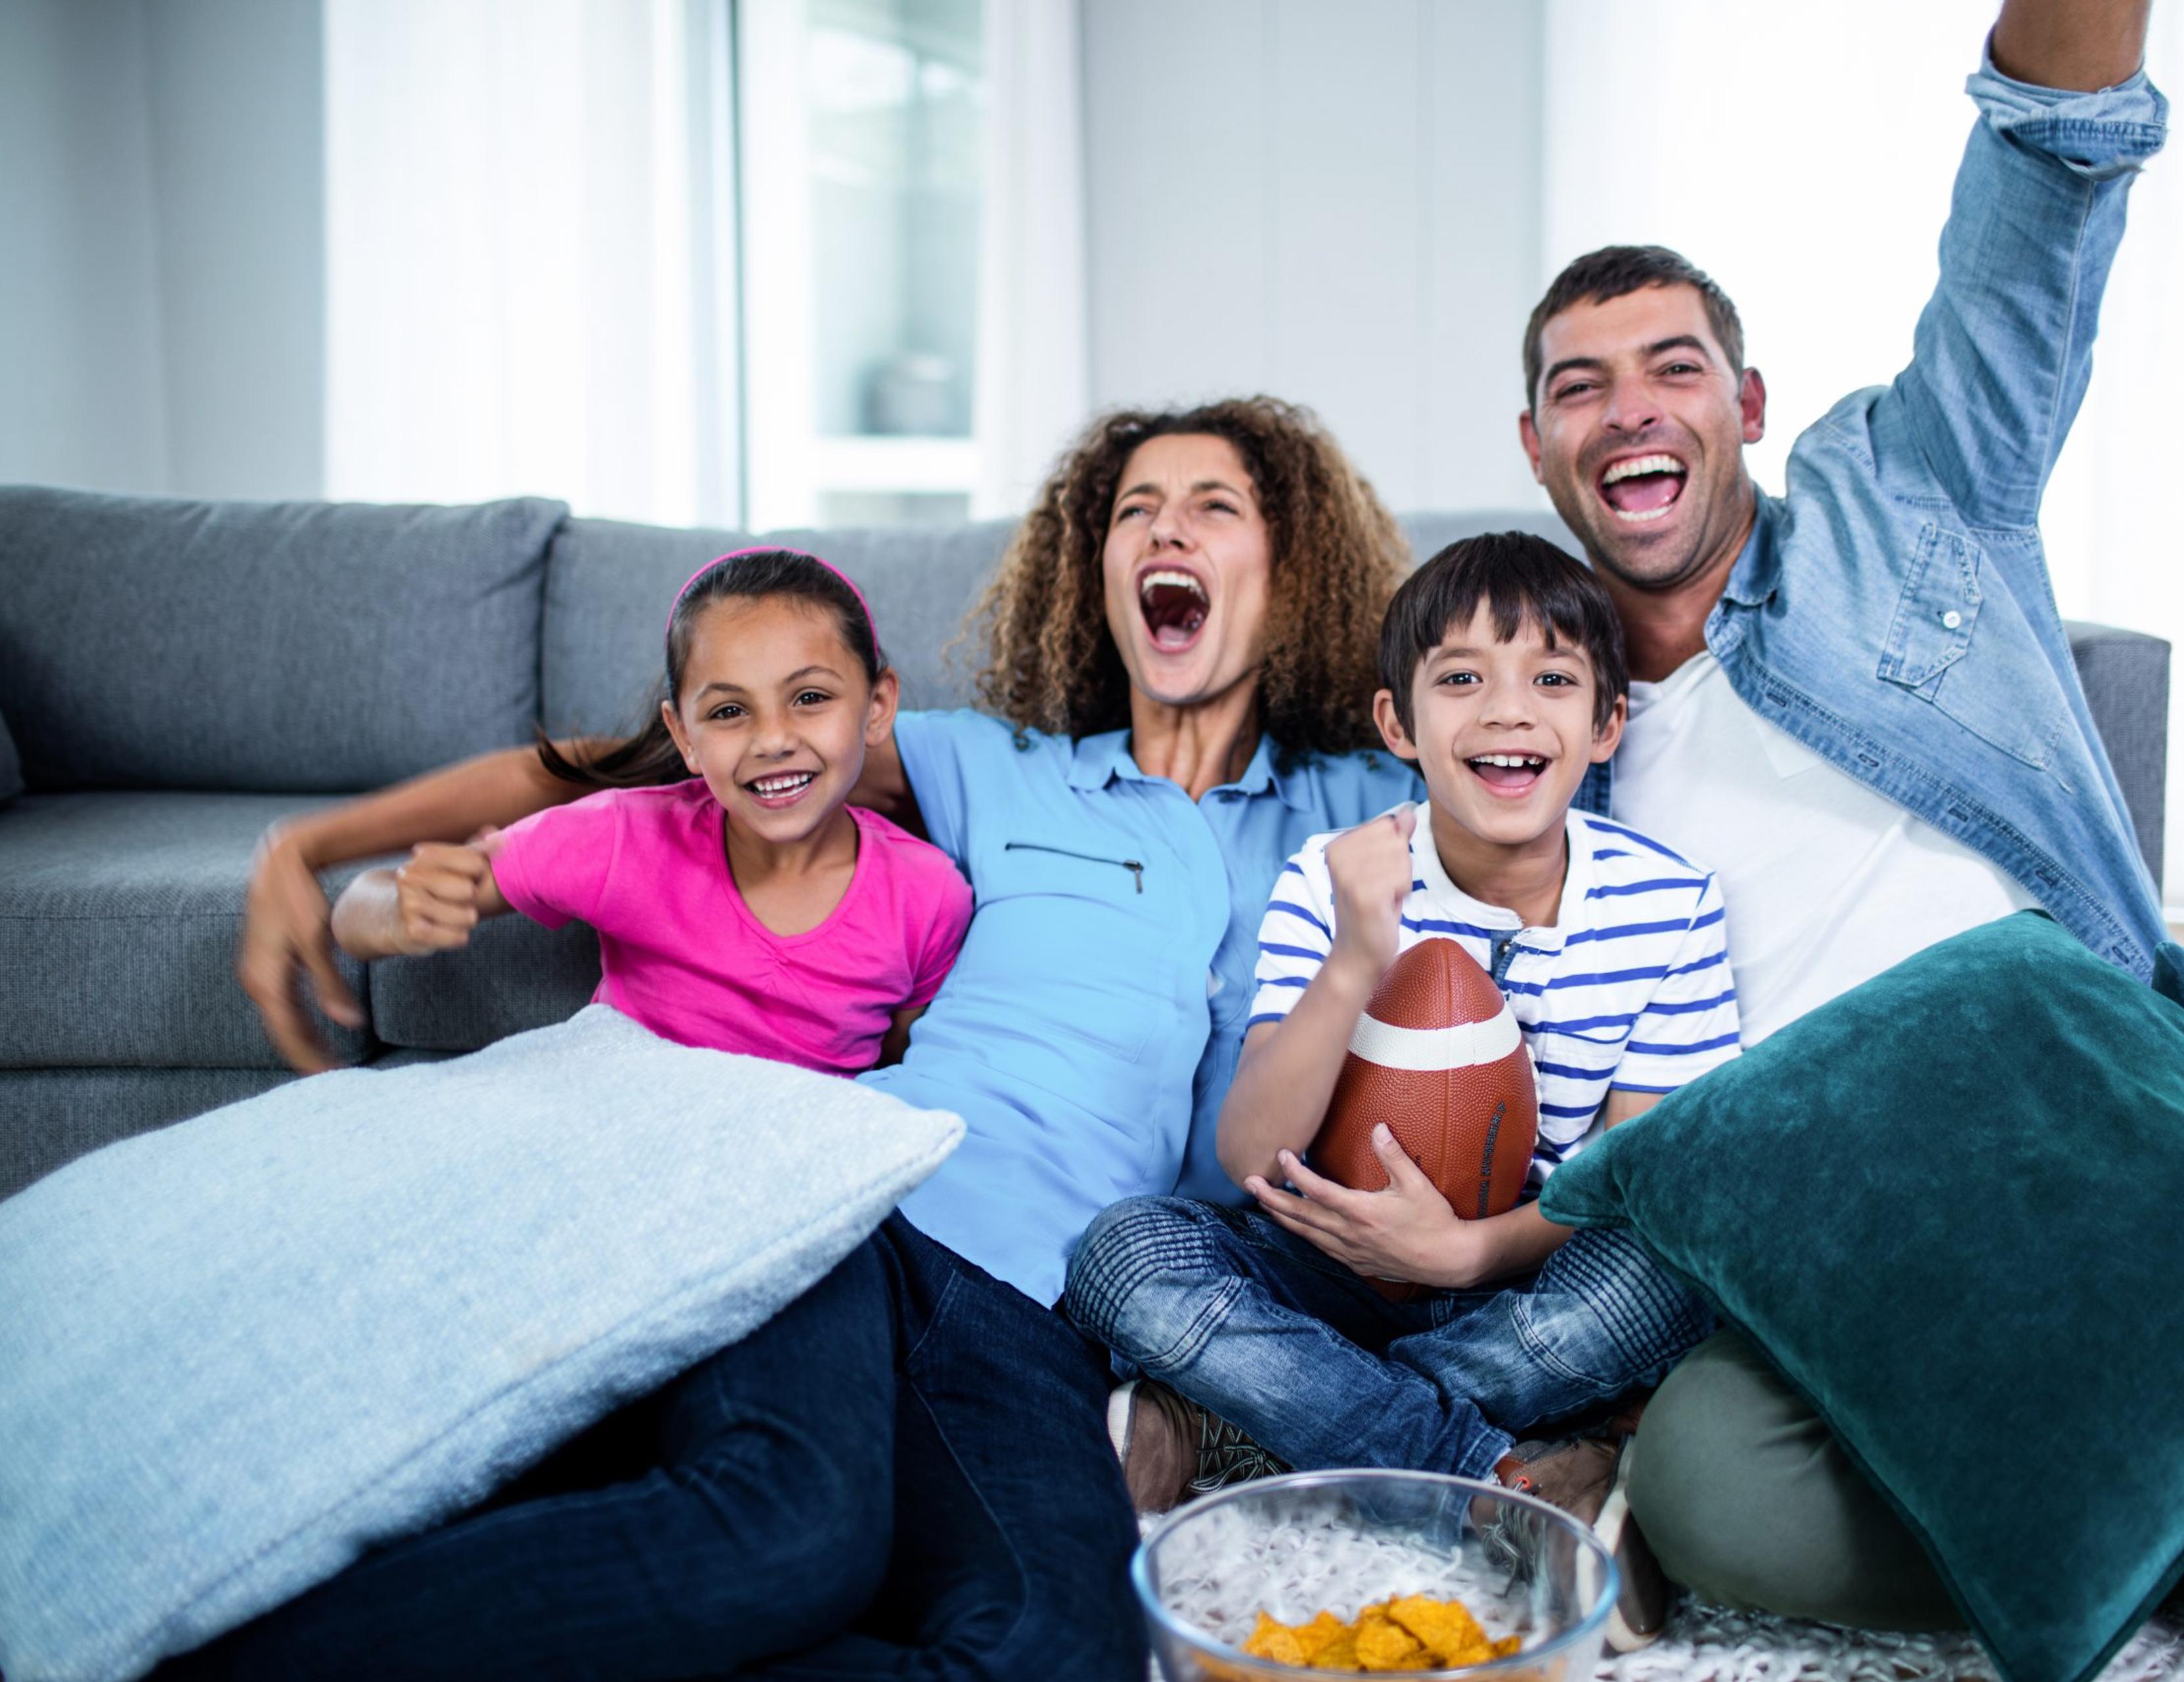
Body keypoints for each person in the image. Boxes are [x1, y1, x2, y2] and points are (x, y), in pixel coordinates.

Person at [1511, 0, 2184, 1674]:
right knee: (1706, 1477)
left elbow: (2038, 192)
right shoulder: (1535, 731)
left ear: (1746, 400)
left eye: (1670, 367)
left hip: (2098, 1089)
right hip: (1858, 1216)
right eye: (1576, 386)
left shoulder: (1904, 494)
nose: (1627, 410)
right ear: (1534, 443)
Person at [207, 397, 1422, 1679]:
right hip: (856, 1209)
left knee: (1059, 1652)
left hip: (1044, 1328)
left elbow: (1539, 754)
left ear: (1285, 566)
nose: (1167, 527)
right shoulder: (994, 764)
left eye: (1213, 506)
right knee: (792, 1532)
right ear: (1100, 568)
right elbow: (631, 765)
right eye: (1137, 510)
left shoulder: (1360, 802)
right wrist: (315, 844)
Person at [1064, 534, 1737, 1645]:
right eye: (1462, 678)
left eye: (1554, 679)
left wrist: (1468, 1254)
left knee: (1677, 1272)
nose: (1507, 711)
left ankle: (1252, 1422)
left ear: (1607, 724)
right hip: (1328, 1272)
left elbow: (1641, 1182)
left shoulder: (1670, 902)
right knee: (1121, 1256)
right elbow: (1249, 1155)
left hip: (1535, 1280)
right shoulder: (1336, 875)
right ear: (1399, 725)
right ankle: (1500, 1471)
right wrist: (1353, 958)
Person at [330, 548, 971, 1075]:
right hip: (629, 1136)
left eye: (809, 697)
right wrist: (397, 912)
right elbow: (358, 908)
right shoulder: (619, 837)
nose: (772, 738)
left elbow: (904, 1077)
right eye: (728, 711)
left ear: (879, 705)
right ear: (684, 735)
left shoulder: (929, 891)